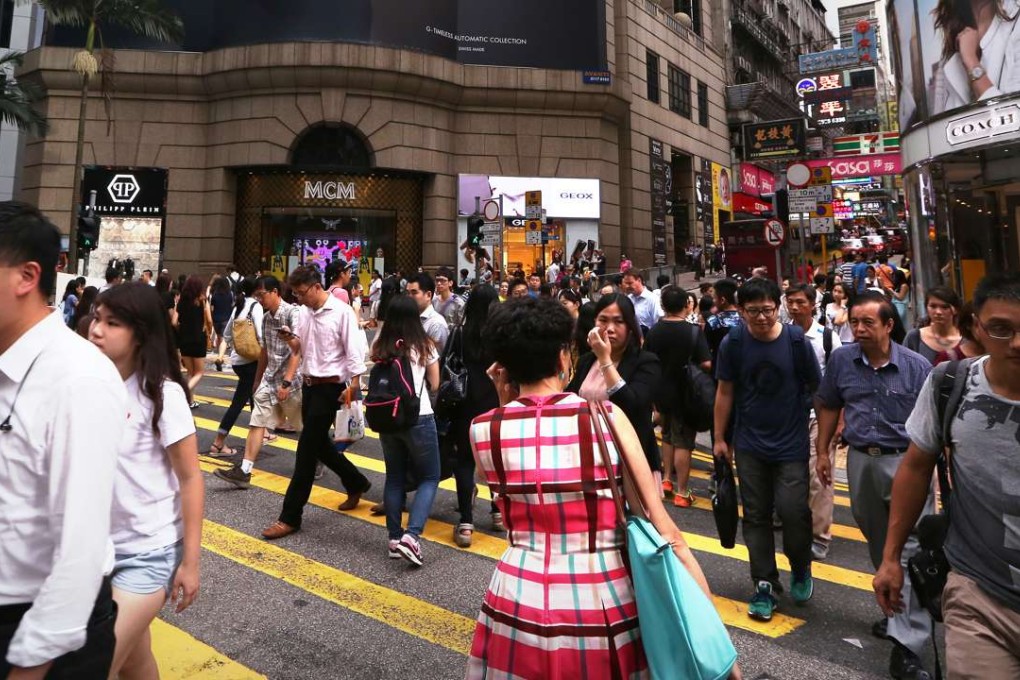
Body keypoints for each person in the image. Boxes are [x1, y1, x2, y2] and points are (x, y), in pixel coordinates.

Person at [468, 296, 725, 679]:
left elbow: (504, 482)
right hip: (601, 598)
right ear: (563, 357)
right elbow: (663, 529)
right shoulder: (605, 416)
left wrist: (506, 403)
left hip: (516, 599)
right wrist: (713, 638)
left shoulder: (483, 429)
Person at [0, 201, 127, 678]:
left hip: (37, 630)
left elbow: (82, 546)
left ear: (26, 277)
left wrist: (30, 666)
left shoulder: (78, 379)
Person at [875, 273, 1020, 679]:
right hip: (980, 595)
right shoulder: (950, 384)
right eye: (1001, 329)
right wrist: (891, 559)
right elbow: (916, 467)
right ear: (977, 327)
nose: (1017, 343)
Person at [87, 283, 204, 679]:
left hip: (149, 553)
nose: (97, 330)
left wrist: (190, 562)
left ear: (141, 334)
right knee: (135, 664)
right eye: (97, 319)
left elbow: (190, 478)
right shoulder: (89, 384)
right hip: (96, 553)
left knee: (98, 664)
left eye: (112, 323)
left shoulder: (162, 395)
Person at [816, 290, 935, 679]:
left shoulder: (918, 367)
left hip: (907, 463)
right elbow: (830, 404)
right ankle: (895, 608)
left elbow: (934, 427)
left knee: (908, 546)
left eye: (869, 322)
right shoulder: (841, 360)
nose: (860, 329)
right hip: (861, 462)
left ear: (889, 324)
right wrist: (822, 451)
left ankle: (908, 645)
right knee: (879, 542)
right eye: (855, 322)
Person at [713, 277, 820, 622]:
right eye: (753, 311)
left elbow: (817, 388)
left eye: (767, 310)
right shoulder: (735, 342)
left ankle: (800, 564)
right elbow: (725, 392)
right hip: (749, 444)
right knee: (756, 516)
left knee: (793, 511)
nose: (761, 318)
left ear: (779, 308)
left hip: (791, 444)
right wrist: (719, 438)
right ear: (741, 311)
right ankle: (764, 584)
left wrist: (823, 439)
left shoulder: (795, 341)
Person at [261, 266, 370, 540]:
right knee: (320, 445)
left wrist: (354, 386)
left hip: (331, 387)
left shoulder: (342, 312)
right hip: (309, 386)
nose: (298, 299)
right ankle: (356, 482)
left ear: (315, 287)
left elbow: (355, 352)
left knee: (306, 452)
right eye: (295, 294)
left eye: (300, 293)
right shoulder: (303, 313)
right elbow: (299, 349)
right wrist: (290, 340)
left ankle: (290, 517)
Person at [369, 295, 442, 564]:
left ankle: (394, 538)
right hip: (419, 417)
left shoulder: (380, 344)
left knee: (395, 476)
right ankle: (412, 537)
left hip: (388, 417)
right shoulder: (424, 345)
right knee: (429, 477)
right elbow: (434, 383)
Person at [214, 275, 303, 488]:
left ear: (275, 292)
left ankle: (319, 456)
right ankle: (245, 470)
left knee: (304, 427)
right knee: (257, 422)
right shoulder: (265, 318)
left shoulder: (293, 313)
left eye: (262, 295)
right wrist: (257, 379)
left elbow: (298, 350)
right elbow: (264, 351)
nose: (260, 300)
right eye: (257, 296)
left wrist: (287, 383)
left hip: (292, 382)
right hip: (270, 379)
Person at [568, 293, 662, 475]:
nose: (609, 328)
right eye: (603, 320)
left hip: (630, 464)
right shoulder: (586, 361)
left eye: (618, 322)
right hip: (589, 459)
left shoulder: (646, 362)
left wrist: (604, 359)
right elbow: (570, 401)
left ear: (630, 327)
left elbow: (631, 404)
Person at [785, 283, 842, 561]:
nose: (794, 307)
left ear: (812, 305)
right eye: (790, 302)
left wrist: (839, 421)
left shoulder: (827, 338)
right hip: (788, 416)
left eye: (800, 302)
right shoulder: (780, 335)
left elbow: (840, 381)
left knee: (819, 476)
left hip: (820, 416)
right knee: (793, 474)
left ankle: (820, 536)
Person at [443, 285, 501, 547]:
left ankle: (466, 521)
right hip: (497, 402)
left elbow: (449, 363)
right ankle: (498, 512)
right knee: (497, 460)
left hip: (465, 402)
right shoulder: (501, 335)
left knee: (464, 460)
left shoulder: (460, 333)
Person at [644, 286, 712, 507]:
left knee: (667, 435)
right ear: (687, 305)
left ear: (663, 306)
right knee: (683, 442)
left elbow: (648, 359)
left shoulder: (654, 331)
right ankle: (683, 492)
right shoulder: (693, 331)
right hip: (687, 394)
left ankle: (666, 480)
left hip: (661, 391)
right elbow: (706, 363)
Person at [929, 0, 1020, 115]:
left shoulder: (1016, 26)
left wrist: (971, 61)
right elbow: (939, 127)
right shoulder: (948, 53)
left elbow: (1014, 121)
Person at [207, 276, 264, 456]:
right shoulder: (256, 306)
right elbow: (262, 337)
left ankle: (262, 435)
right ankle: (218, 444)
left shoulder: (238, 307)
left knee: (255, 398)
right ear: (257, 290)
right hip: (251, 362)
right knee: (239, 402)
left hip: (238, 361)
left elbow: (227, 335)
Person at [175, 275, 212, 407]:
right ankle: (183, 393)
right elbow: (209, 320)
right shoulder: (203, 300)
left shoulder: (181, 301)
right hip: (198, 339)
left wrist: (182, 327)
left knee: (190, 372)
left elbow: (174, 321)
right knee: (199, 372)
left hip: (184, 339)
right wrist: (209, 330)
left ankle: (190, 401)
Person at [904, 286, 964, 365]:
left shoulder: (966, 338)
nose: (938, 312)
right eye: (933, 306)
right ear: (926, 308)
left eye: (944, 307)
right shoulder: (914, 338)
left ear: (955, 309)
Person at [406, 272, 449, 350]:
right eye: (408, 293)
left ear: (428, 295)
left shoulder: (436, 324)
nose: (409, 297)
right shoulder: (409, 317)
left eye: (414, 292)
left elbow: (439, 357)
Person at [704, 278, 743, 365]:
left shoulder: (713, 321)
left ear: (722, 300)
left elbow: (707, 349)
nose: (713, 301)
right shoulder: (746, 318)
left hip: (720, 368)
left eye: (714, 298)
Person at [621, 269, 663, 335]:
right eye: (626, 283)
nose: (627, 286)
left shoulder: (652, 299)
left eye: (630, 283)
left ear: (639, 280)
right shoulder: (628, 299)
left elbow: (658, 322)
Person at [209, 275, 234, 371]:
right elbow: (232, 305)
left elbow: (212, 308)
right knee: (224, 339)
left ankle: (220, 355)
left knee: (219, 337)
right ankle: (220, 357)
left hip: (216, 319)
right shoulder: (230, 294)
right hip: (226, 319)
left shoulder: (215, 295)